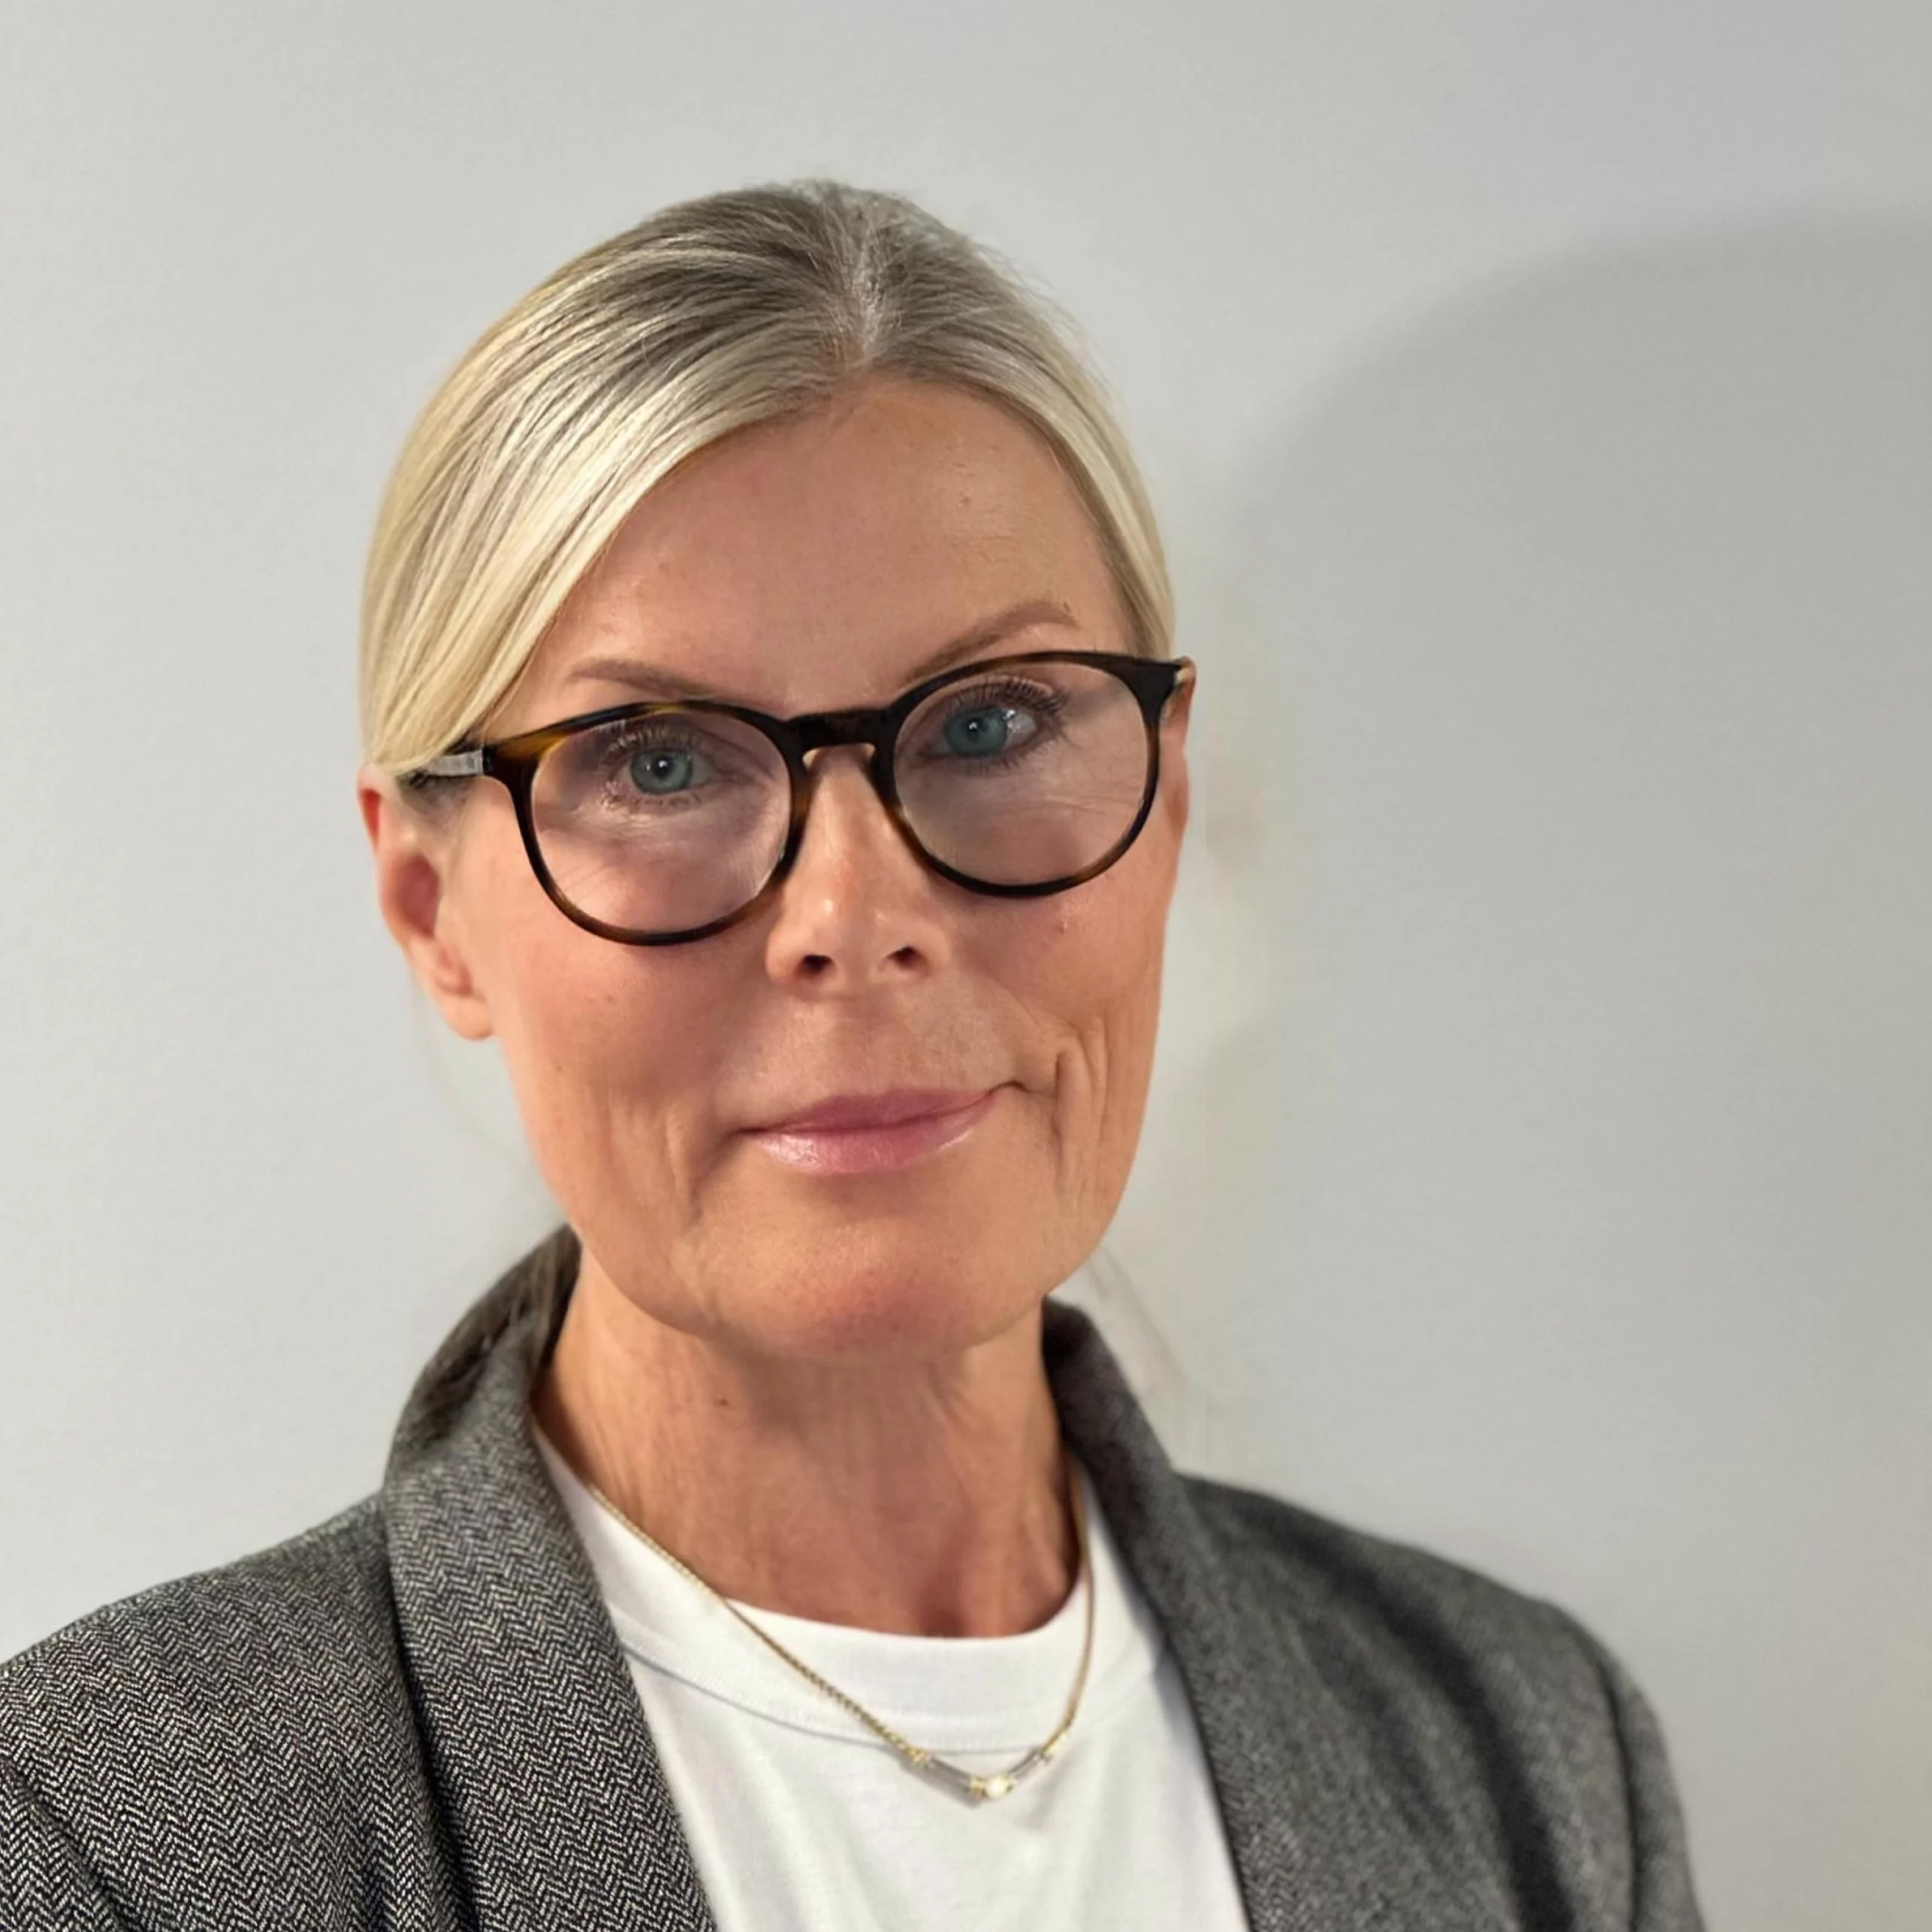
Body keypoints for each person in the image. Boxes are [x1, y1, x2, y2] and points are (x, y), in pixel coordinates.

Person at [0, 179, 1706, 1931]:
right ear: (433, 906)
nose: (853, 913)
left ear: (1167, 795)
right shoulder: (116, 1844)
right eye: (659, 760)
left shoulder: (1524, 1758)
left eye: (991, 722)